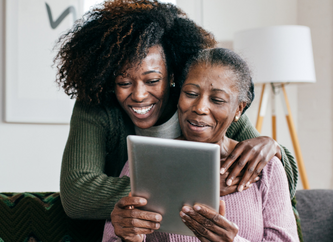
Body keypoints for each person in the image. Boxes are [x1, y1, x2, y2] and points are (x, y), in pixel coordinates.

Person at [55, 0, 297, 221]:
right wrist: (194, 185)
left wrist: (273, 148)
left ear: (173, 76)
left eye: (152, 81)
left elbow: (283, 183)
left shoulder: (201, 107)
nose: (139, 95)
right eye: (124, 83)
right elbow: (77, 195)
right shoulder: (97, 105)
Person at [103, 48, 299, 242]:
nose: (200, 107)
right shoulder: (144, 160)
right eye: (191, 93)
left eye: (217, 100)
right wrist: (128, 240)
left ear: (239, 109)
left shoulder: (268, 169)